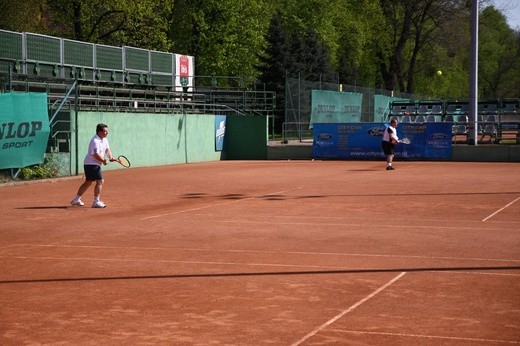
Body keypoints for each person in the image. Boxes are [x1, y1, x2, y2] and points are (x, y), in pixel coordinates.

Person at [71, 123, 115, 208]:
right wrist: (104, 161)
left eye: (107, 131)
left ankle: (76, 199)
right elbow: (96, 155)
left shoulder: (105, 140)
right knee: (100, 181)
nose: (107, 133)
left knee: (88, 182)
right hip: (91, 164)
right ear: (99, 132)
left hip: (93, 164)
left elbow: (107, 149)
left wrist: (110, 156)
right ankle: (96, 201)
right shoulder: (95, 141)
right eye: (105, 131)